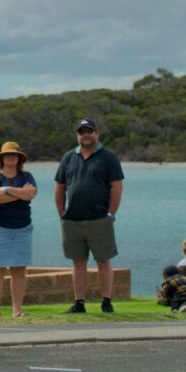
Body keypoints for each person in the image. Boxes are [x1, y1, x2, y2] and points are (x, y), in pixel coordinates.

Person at [54, 117, 124, 315]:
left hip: (100, 219)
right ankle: (79, 303)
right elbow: (60, 187)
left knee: (103, 260)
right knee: (78, 262)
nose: (86, 135)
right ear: (77, 135)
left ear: (96, 133)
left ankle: (106, 302)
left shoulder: (108, 157)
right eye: (82, 132)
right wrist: (61, 213)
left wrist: (111, 213)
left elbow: (117, 187)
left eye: (89, 131)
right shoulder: (68, 158)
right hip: (73, 221)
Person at [0, 142, 37, 319]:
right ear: (2, 159)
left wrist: (7, 190)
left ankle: (17, 309)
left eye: (14, 155)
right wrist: (20, 194)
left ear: (19, 158)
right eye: (7, 155)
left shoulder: (26, 175)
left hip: (23, 228)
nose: (11, 158)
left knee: (19, 270)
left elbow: (31, 194)